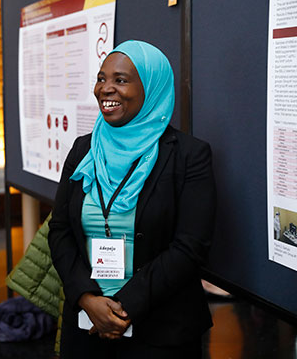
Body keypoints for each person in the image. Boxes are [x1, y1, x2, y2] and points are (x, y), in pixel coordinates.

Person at [48, 40, 216, 358]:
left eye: (120, 80)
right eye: (101, 78)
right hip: (85, 326)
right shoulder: (83, 149)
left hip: (162, 331)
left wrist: (123, 307)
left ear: (151, 87)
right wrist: (87, 298)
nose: (105, 89)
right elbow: (60, 230)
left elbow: (190, 247)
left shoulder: (189, 156)